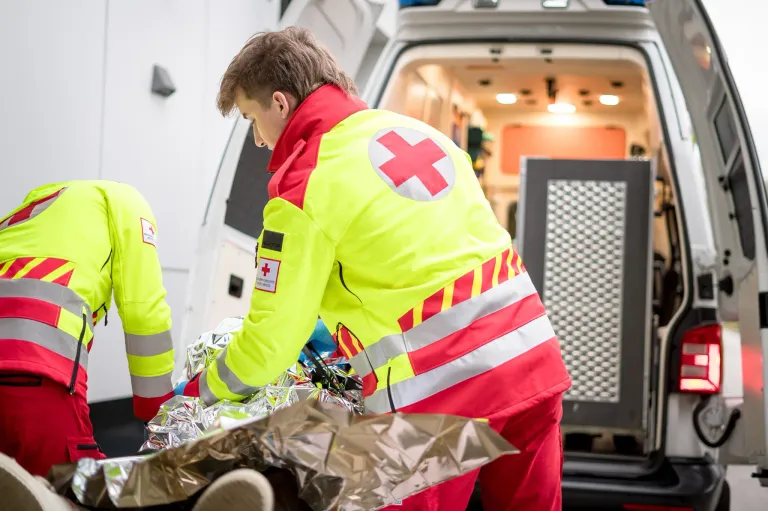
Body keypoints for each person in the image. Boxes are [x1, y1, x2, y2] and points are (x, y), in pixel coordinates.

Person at [178, 27, 571, 511]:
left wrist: (201, 390)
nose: (258, 140)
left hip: (442, 393)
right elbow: (418, 261)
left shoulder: (304, 184)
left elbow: (270, 343)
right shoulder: (427, 137)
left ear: (280, 103)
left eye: (251, 119)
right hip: (531, 361)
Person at [0, 181, 175, 477]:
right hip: (34, 374)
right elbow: (145, 312)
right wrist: (159, 414)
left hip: (25, 375)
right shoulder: (125, 202)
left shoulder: (27, 215)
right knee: (80, 484)